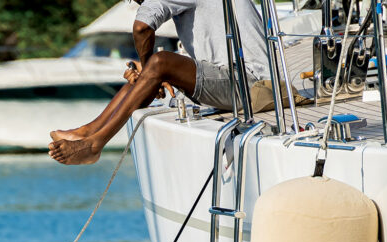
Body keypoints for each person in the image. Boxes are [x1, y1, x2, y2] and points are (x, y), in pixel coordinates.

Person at [49, 0, 273, 165]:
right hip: (239, 79)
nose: (139, 3)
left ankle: (95, 144)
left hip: (250, 86)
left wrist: (151, 70)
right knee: (148, 70)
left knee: (158, 62)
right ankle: (87, 130)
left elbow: (142, 27)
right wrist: (147, 75)